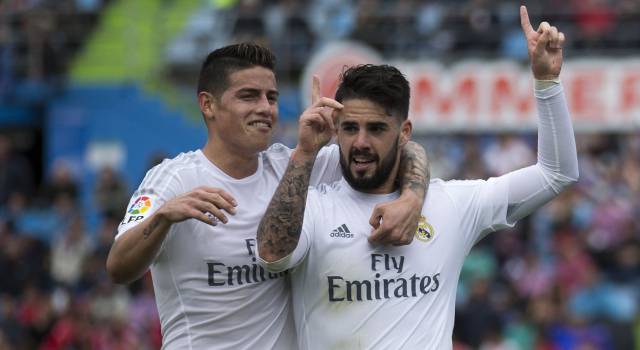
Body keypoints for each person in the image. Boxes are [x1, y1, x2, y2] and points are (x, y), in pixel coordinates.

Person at [256, 6, 579, 349]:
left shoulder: (452, 206)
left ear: (404, 131)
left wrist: (547, 83)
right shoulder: (315, 208)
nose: (361, 142)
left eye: (377, 129)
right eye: (350, 128)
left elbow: (557, 173)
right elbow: (271, 255)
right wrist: (305, 153)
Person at [105, 43, 429, 349]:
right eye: (249, 96)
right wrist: (162, 218)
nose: (265, 108)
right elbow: (118, 267)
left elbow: (403, 147)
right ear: (208, 104)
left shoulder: (297, 166)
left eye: (271, 97)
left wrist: (412, 200)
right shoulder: (174, 179)